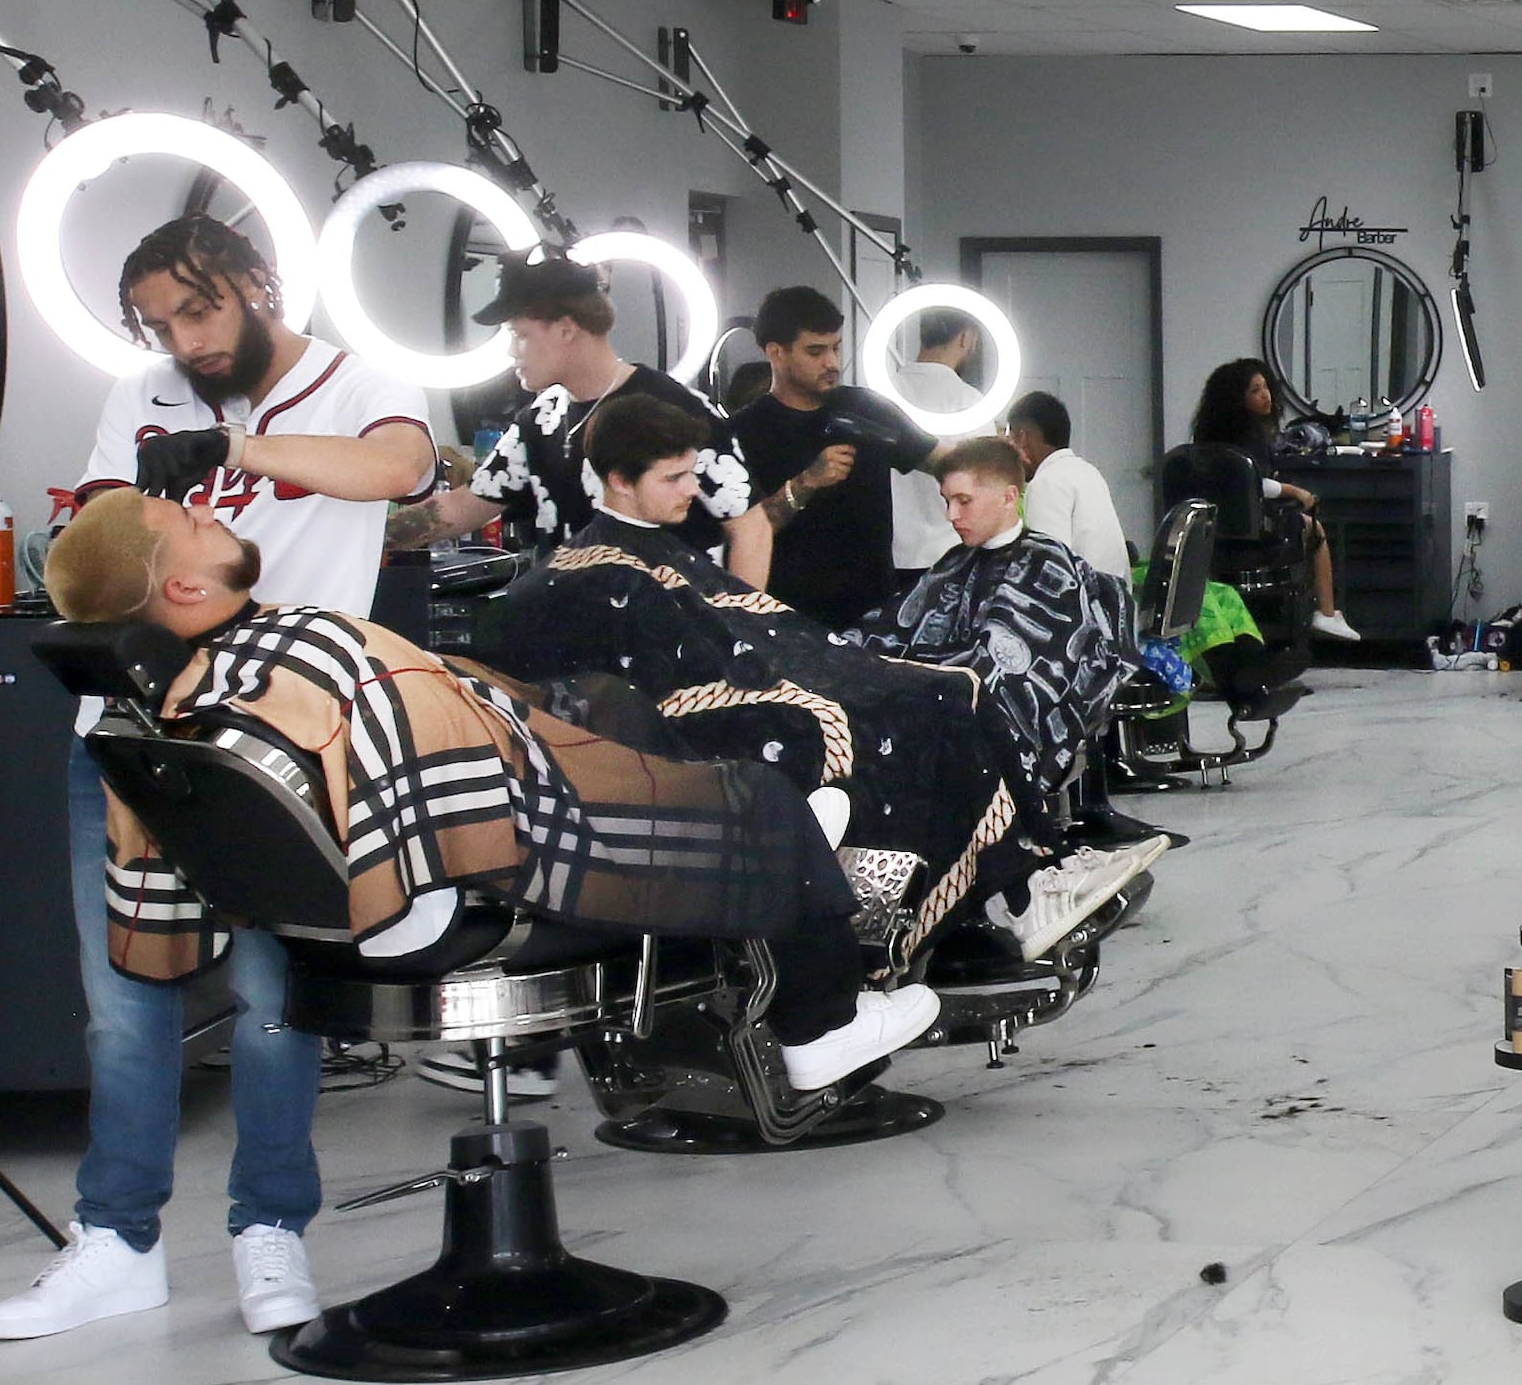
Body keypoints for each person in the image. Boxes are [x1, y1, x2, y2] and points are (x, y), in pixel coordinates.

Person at [36, 487, 930, 1093]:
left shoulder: (184, 703)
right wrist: (515, 735)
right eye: (188, 520)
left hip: (338, 914)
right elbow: (432, 733)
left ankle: (779, 848)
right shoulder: (310, 649)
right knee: (762, 798)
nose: (208, 511)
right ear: (187, 583)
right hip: (468, 882)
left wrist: (507, 702)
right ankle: (821, 1023)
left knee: (605, 699)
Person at [0, 210, 437, 1343]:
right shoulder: (140, 395)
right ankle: (117, 1240)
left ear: (254, 283)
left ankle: (268, 1230)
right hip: (131, 730)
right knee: (124, 1007)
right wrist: (121, 515)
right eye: (159, 322)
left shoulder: (351, 380)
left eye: (199, 310)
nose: (182, 341)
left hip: (279, 744)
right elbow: (89, 545)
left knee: (276, 999)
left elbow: (395, 467)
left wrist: (235, 454)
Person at [483, 390, 1138, 968]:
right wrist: (823, 670)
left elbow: (730, 625)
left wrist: (833, 661)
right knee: (930, 700)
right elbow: (678, 678)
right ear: (620, 481)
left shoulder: (646, 547)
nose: (694, 490)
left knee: (942, 693)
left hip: (745, 690)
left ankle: (1003, 890)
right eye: (676, 476)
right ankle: (999, 894)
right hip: (706, 736)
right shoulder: (598, 574)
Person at [853, 437, 1152, 829]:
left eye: (963, 501)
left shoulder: (1050, 565)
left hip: (986, 709)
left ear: (1009, 497)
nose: (951, 515)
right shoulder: (954, 562)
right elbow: (891, 628)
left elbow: (1025, 663)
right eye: (946, 501)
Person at [437, 255, 765, 582]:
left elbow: (752, 531)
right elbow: (465, 508)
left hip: (678, 623)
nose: (511, 351)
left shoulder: (671, 409)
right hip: (581, 620)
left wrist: (742, 628)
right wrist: (388, 525)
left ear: (566, 329)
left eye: (519, 334)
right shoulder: (541, 419)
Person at [724, 283, 933, 630]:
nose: (832, 362)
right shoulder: (744, 432)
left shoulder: (867, 408)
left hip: (874, 613)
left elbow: (938, 460)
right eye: (816, 351)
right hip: (791, 615)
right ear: (776, 353)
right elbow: (744, 532)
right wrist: (806, 483)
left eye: (836, 348)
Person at [1164, 357, 1361, 644]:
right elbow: (1257, 484)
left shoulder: (1206, 437)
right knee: (1314, 528)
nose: (1266, 395)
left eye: (1266, 387)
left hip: (1213, 537)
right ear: (1237, 398)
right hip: (1256, 534)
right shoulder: (1250, 435)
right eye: (1256, 390)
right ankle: (1326, 613)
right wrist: (1295, 492)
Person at [883, 313, 987, 579]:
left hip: (887, 557)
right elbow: (984, 487)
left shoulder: (882, 395)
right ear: (966, 337)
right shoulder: (971, 404)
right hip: (951, 555)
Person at [1008, 389, 1136, 585]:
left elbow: (1050, 573)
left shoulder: (1046, 483)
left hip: (1084, 608)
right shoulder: (1087, 471)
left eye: (1010, 440)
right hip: (1113, 603)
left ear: (1022, 439)